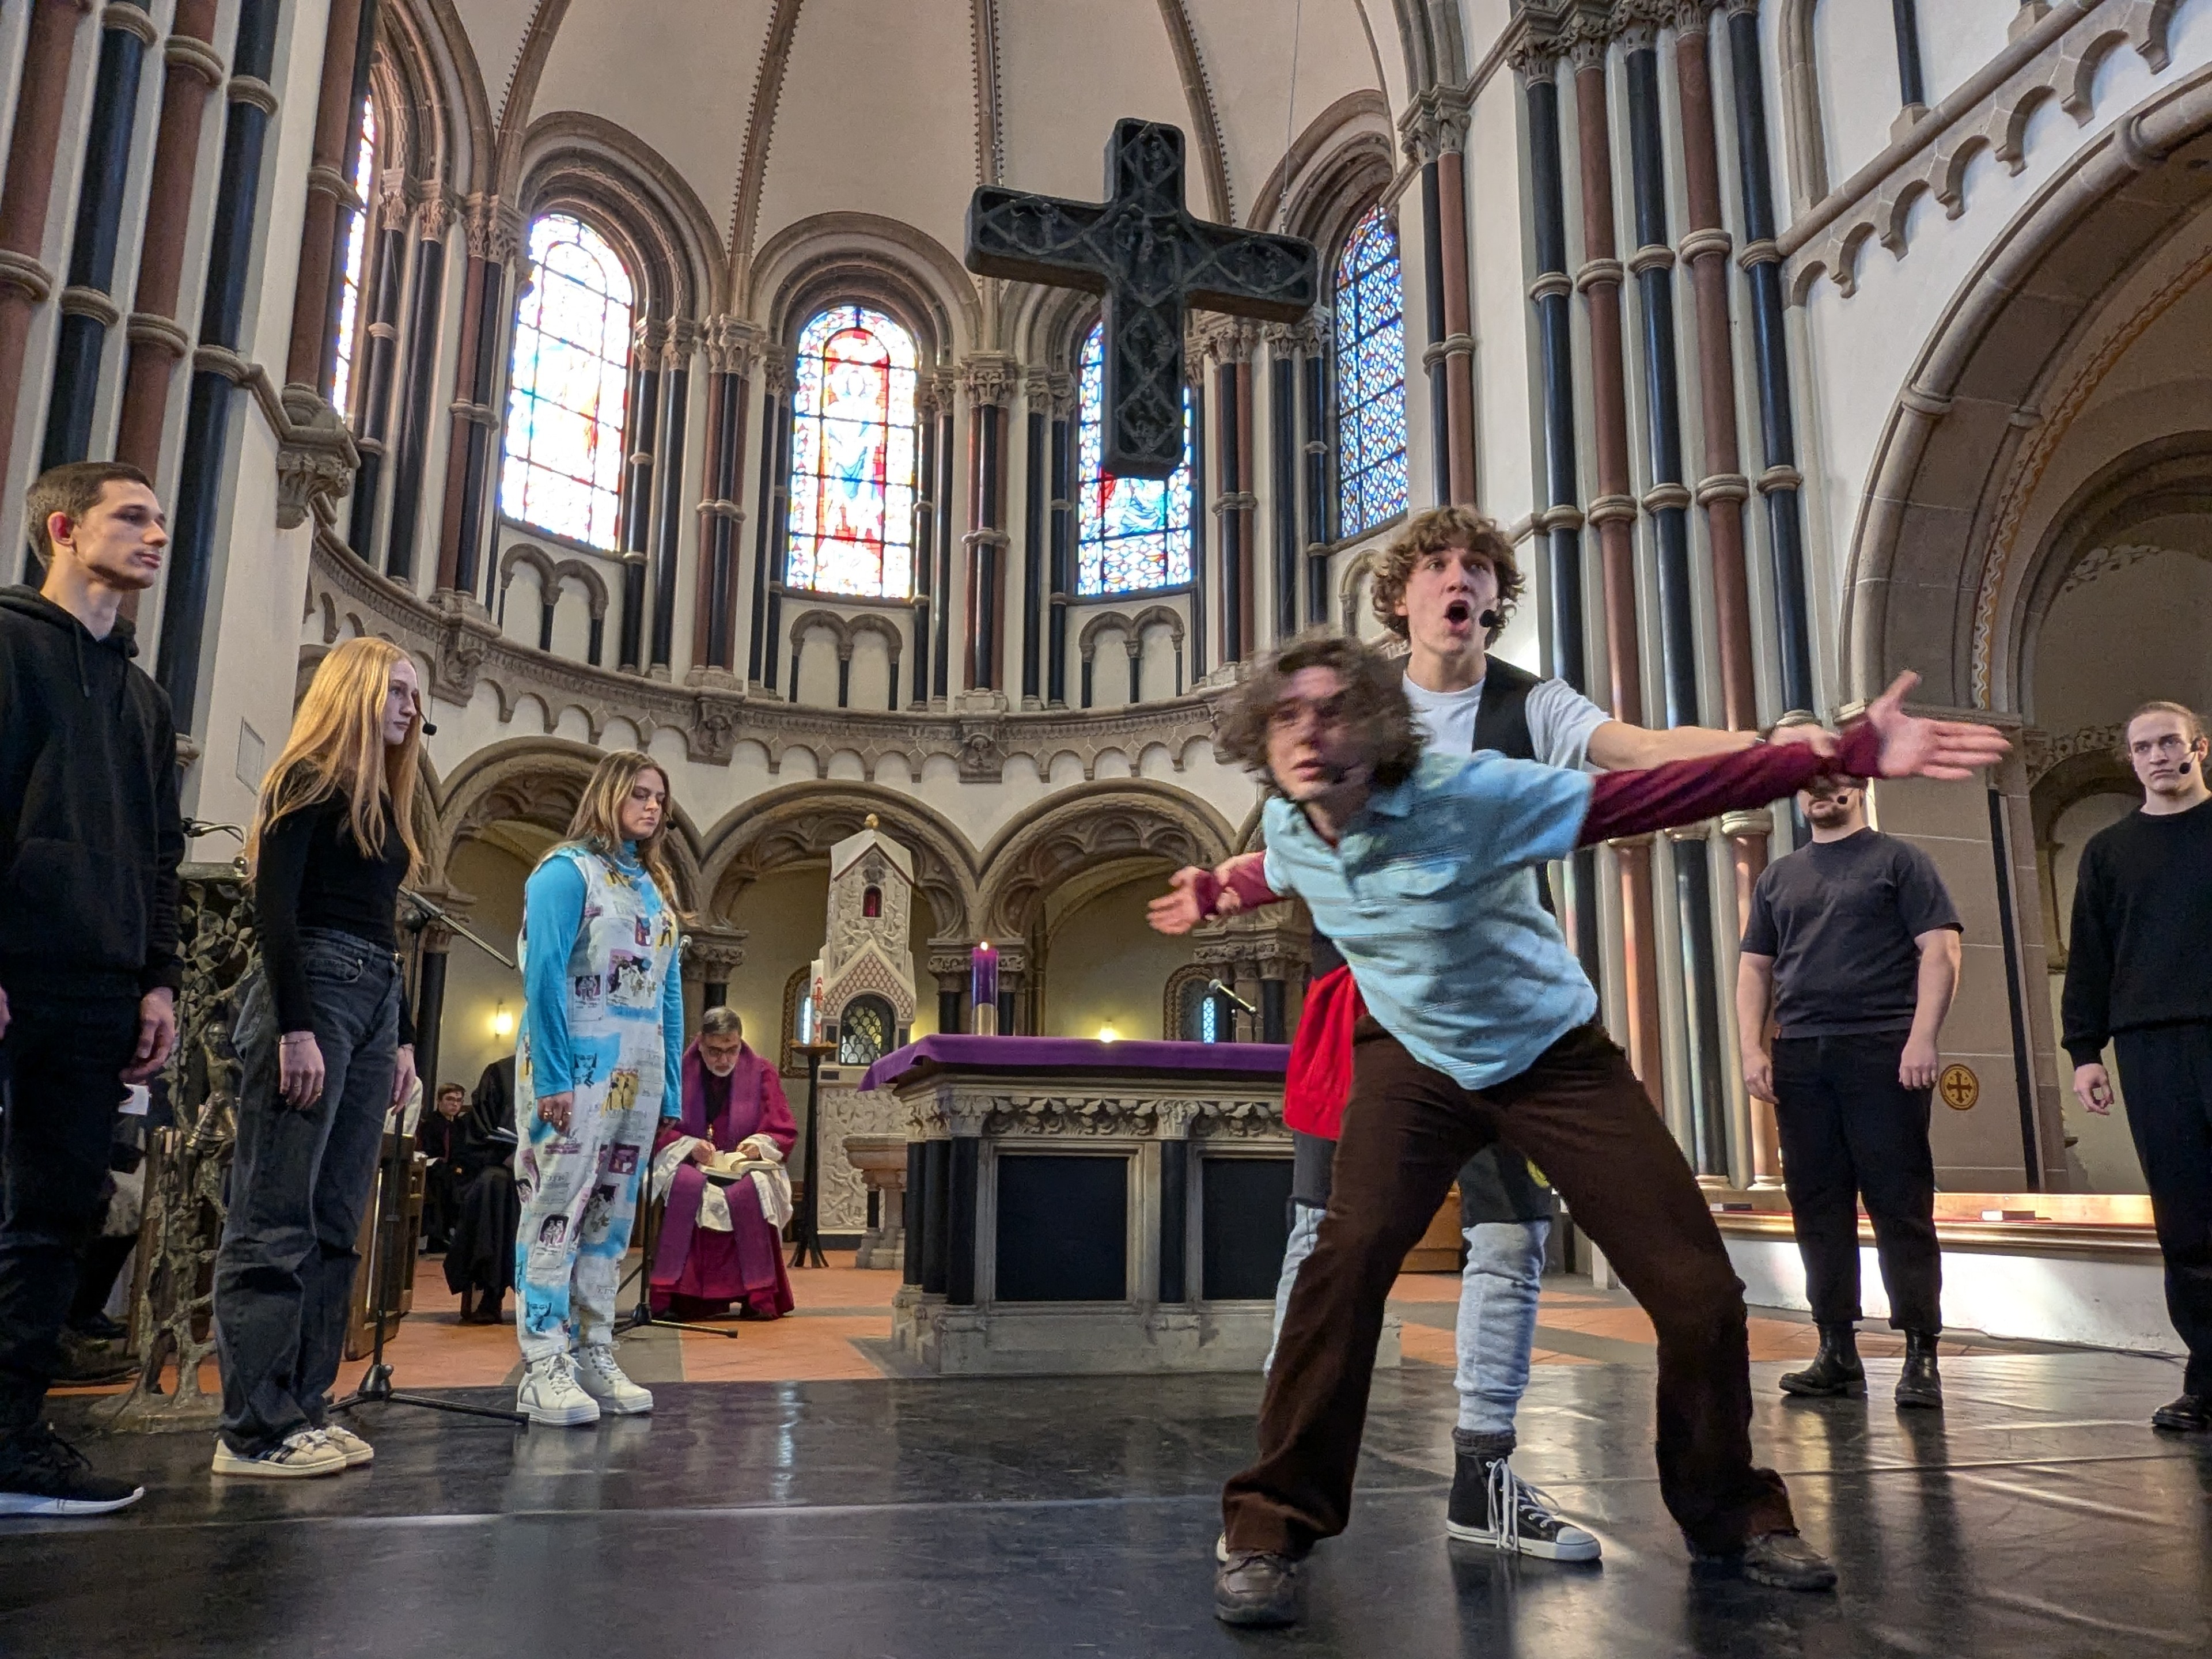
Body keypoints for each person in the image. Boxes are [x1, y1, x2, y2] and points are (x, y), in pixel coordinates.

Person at [1150, 633, 2009, 1627]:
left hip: (1549, 1055)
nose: (1308, 731)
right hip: (1413, 1060)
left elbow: (1645, 801)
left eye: (1332, 709)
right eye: (1288, 714)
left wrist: (1834, 757)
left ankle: (1731, 1511)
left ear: (1379, 725)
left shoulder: (1469, 792)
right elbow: (1275, 868)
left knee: (1697, 1293)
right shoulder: (1295, 828)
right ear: (1264, 733)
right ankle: (1267, 1526)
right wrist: (1217, 888)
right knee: (1341, 1268)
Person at [1268, 505, 1828, 1559]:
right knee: (1333, 1254)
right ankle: (1274, 1521)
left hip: (1516, 1021)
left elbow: (1647, 753)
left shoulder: (1532, 704)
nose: (1458, 581)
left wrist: (1769, 749)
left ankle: (1487, 1481)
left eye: (1478, 568)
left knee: (1517, 1241)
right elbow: (1288, 821)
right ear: (1400, 598)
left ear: (1493, 601)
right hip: (1376, 1014)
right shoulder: (1352, 707)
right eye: (1436, 565)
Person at [0, 461, 183, 1517]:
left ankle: (14, 1438)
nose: (157, 534)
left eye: (162, 520)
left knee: (54, 1216)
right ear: (64, 528)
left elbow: (159, 855)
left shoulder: (143, 695)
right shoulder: (11, 644)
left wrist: (157, 982)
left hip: (100, 985)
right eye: (133, 517)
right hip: (14, 963)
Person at [211, 637, 425, 1479]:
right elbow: (277, 912)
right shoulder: (307, 780)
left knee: (338, 1219)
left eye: (416, 696)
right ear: (358, 690)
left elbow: (385, 926)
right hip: (315, 992)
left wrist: (403, 1033)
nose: (412, 710)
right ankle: (253, 1431)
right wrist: (296, 1027)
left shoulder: (387, 802)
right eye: (400, 692)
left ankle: (304, 1407)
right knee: (276, 1217)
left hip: (370, 998)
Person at [1736, 766, 1961, 1409]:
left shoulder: (1901, 861)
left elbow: (1941, 951)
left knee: (1899, 1200)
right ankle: (1836, 1351)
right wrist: (1753, 1048)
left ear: (1857, 788)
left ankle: (1922, 1354)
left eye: (1832, 782)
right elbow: (1756, 968)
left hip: (1883, 1049)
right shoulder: (1780, 875)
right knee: (1816, 1204)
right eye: (1807, 784)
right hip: (1803, 1054)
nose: (1819, 795)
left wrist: (1923, 1038)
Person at [512, 751, 686, 1425]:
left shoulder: (653, 889)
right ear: (609, 794)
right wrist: (554, 1075)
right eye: (640, 794)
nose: (651, 807)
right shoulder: (565, 872)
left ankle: (594, 1347)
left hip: (634, 1077)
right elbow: (546, 973)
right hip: (575, 1068)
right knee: (556, 1209)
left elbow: (669, 992)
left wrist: (667, 1090)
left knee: (610, 1222)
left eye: (660, 799)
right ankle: (542, 1360)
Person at [2062, 699, 2212, 1434]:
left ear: (2200, 748)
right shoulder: (2109, 852)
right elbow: (2089, 958)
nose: (2157, 756)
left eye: (2169, 743)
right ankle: (2207, 1381)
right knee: (2186, 1222)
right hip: (2151, 1044)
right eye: (2143, 747)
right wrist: (2085, 1053)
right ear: (2131, 759)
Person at [649, 1007, 797, 1321]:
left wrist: (757, 1146)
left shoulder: (761, 1072)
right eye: (715, 1051)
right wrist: (689, 1144)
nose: (724, 1060)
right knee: (686, 1187)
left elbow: (781, 1128)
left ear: (740, 1042)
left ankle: (757, 1294)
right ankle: (680, 1296)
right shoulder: (677, 1071)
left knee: (751, 1190)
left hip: (742, 1163)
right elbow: (657, 1127)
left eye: (732, 1050)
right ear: (700, 1043)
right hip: (692, 1161)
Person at [445, 1055, 520, 1324]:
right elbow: (481, 1130)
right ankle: (491, 1292)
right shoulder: (502, 1072)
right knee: (492, 1186)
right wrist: (509, 1156)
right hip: (507, 1164)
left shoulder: (576, 1066)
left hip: (559, 1166)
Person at [419, 1083, 471, 1253]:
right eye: (450, 1099)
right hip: (433, 1169)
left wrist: (458, 1168)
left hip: (454, 1171)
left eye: (458, 1101)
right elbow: (427, 1149)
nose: (455, 1104)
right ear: (439, 1101)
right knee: (440, 1184)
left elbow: (463, 1153)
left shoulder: (461, 1126)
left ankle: (453, 1234)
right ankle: (436, 1237)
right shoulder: (429, 1123)